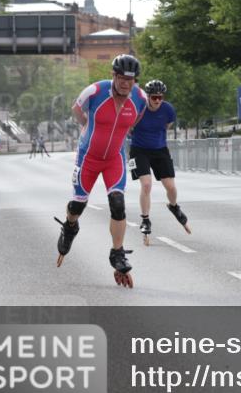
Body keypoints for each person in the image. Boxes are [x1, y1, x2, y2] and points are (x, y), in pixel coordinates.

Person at [54, 54, 148, 287]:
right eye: (122, 78)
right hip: (89, 157)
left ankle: (117, 253)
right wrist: (88, 126)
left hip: (114, 158)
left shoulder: (140, 99)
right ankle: (70, 226)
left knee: (118, 204)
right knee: (78, 205)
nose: (126, 83)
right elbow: (76, 111)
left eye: (131, 79)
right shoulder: (95, 92)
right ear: (113, 76)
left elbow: (135, 121)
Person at [129, 79, 189, 244]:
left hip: (160, 149)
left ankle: (174, 206)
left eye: (160, 98)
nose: (157, 101)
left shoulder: (168, 110)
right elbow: (129, 126)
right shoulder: (138, 108)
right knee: (146, 184)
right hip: (139, 150)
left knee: (170, 186)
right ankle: (145, 219)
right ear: (147, 96)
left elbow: (166, 126)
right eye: (154, 97)